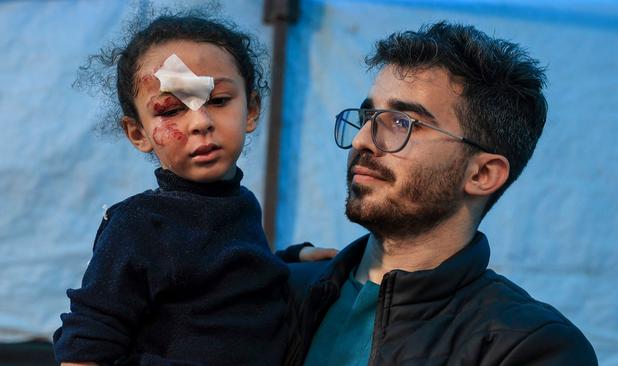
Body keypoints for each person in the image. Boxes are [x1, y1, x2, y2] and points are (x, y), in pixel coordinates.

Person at [285, 21, 598, 365]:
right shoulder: (281, 291)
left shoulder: (532, 346)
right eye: (368, 115)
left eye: (402, 122)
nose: (361, 140)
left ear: (482, 174)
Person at [52, 10, 335, 366]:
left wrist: (291, 259)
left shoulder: (239, 204)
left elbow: (227, 282)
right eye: (171, 110)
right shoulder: (138, 225)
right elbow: (87, 345)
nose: (201, 122)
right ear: (138, 133)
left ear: (252, 109)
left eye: (217, 101)